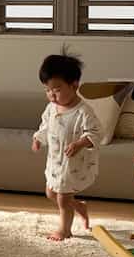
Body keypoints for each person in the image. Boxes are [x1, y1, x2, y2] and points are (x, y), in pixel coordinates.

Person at [31, 52, 102, 241]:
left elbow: (95, 132)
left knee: (62, 197)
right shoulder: (52, 108)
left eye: (57, 89)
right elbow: (45, 125)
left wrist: (80, 143)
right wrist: (39, 138)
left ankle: (65, 229)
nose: (51, 95)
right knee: (50, 193)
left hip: (73, 163)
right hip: (55, 161)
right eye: (47, 90)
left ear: (74, 85)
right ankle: (79, 206)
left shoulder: (83, 112)